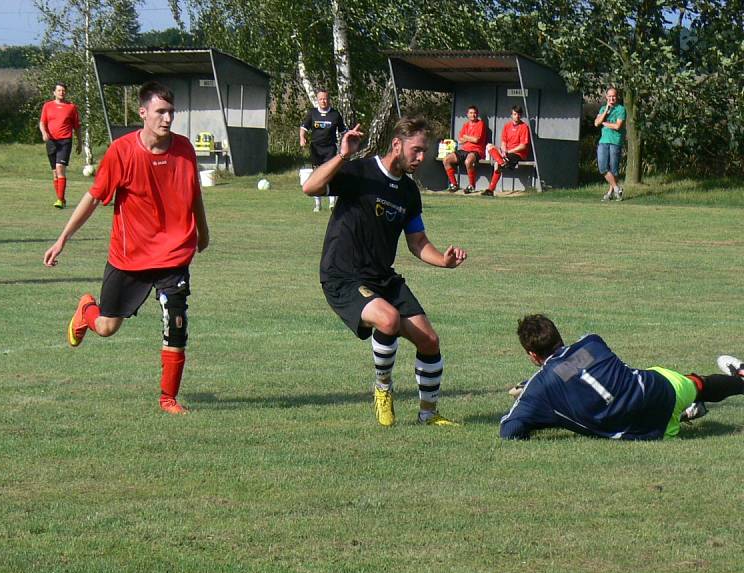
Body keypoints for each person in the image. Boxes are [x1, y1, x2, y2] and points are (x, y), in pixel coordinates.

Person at [43, 81, 210, 415]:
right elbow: (93, 198)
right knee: (106, 327)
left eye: (171, 112)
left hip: (174, 254)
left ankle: (168, 399)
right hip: (129, 256)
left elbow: (193, 196)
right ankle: (85, 310)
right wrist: (62, 239)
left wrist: (202, 233)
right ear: (143, 112)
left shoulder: (185, 149)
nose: (167, 119)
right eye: (161, 112)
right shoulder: (122, 151)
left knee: (176, 319)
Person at [303, 116, 468, 427]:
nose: (421, 158)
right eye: (416, 150)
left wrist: (444, 260)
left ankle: (428, 415)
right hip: (344, 276)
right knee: (388, 319)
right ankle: (383, 389)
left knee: (430, 341)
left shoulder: (408, 191)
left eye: (425, 152)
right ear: (397, 144)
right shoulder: (359, 171)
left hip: (383, 278)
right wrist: (343, 155)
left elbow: (418, 243)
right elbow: (310, 187)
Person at [500, 314, 744, 440]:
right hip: (660, 393)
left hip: (647, 433)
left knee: (608, 410)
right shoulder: (591, 343)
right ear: (559, 337)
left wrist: (538, 408)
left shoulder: (540, 389)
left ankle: (686, 413)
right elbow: (573, 366)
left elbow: (509, 431)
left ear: (532, 355)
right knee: (696, 383)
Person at [299, 90, 348, 212]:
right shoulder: (312, 113)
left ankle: (332, 203)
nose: (323, 101)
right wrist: (302, 138)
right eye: (320, 99)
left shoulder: (335, 114)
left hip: (330, 149)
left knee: (331, 174)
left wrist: (347, 143)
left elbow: (344, 132)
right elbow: (303, 128)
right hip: (316, 149)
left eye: (325, 99)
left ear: (329, 99)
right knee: (317, 175)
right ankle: (317, 204)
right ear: (317, 100)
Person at [39, 82, 81, 209]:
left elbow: (77, 126)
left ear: (65, 92)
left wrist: (80, 142)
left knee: (59, 169)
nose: (61, 92)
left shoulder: (72, 107)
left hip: (65, 141)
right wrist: (44, 133)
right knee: (54, 173)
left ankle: (59, 199)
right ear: (54, 92)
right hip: (51, 141)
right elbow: (42, 122)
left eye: (63, 90)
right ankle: (61, 199)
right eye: (59, 90)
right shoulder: (47, 106)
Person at [481, 105, 531, 197]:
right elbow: (503, 142)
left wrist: (509, 151)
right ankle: (502, 162)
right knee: (489, 146)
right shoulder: (507, 126)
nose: (517, 116)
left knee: (497, 164)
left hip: (517, 153)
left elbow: (523, 146)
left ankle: (490, 189)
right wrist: (504, 151)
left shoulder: (524, 127)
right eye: (515, 114)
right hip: (507, 153)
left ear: (521, 115)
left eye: (519, 114)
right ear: (511, 115)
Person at [442, 105, 487, 194]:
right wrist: (468, 138)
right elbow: (461, 140)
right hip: (464, 149)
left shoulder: (480, 124)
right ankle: (454, 184)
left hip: (476, 150)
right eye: (471, 113)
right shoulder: (465, 125)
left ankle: (471, 185)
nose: (473, 115)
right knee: (446, 159)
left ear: (477, 114)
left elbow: (476, 140)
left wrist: (466, 137)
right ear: (467, 114)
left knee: (468, 161)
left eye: (474, 113)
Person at [594, 87, 626, 201]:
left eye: (614, 96)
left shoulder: (621, 109)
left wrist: (605, 123)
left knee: (614, 169)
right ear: (606, 97)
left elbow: (617, 126)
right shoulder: (603, 108)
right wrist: (606, 110)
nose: (612, 98)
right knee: (603, 168)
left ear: (617, 97)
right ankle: (617, 189)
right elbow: (597, 123)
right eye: (610, 96)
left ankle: (610, 193)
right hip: (603, 141)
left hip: (615, 141)